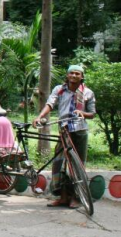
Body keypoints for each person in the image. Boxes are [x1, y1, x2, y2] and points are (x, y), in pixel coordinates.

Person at [33, 65, 96, 209]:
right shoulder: (59, 90)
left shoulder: (88, 93)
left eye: (77, 74)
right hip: (64, 130)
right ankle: (62, 197)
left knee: (77, 165)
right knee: (59, 163)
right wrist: (39, 117)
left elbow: (92, 113)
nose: (74, 76)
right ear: (67, 76)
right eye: (71, 73)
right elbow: (50, 104)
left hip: (80, 131)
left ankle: (76, 197)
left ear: (82, 77)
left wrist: (83, 113)